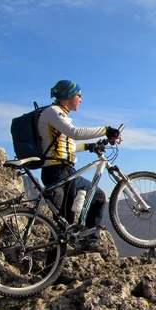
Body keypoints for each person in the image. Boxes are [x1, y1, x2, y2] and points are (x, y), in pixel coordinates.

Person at [38, 79, 120, 249]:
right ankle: (52, 271)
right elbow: (73, 133)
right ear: (69, 95)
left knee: (97, 197)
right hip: (57, 171)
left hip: (66, 171)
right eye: (79, 95)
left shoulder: (59, 115)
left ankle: (90, 240)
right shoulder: (53, 112)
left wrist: (89, 146)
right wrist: (106, 129)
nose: (81, 100)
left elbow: (67, 146)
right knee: (64, 222)